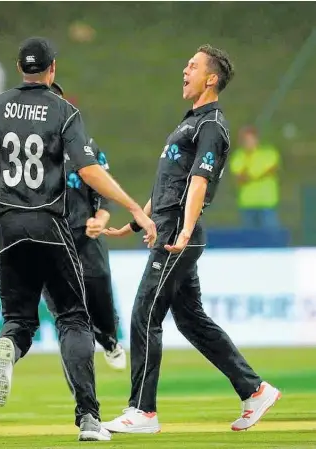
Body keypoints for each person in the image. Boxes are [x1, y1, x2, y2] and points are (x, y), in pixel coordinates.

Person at [0, 36, 156, 442]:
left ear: (18, 67)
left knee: (19, 320)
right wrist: (133, 206)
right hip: (50, 226)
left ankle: (9, 344)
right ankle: (89, 419)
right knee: (73, 318)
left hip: (7, 229)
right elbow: (91, 172)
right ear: (53, 69)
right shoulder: (64, 112)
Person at [102, 44, 281, 434]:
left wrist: (183, 229)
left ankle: (143, 412)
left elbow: (198, 182)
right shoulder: (191, 121)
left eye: (193, 65)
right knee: (190, 320)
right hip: (168, 228)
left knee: (144, 312)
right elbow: (170, 183)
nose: (185, 69)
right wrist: (135, 222)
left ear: (211, 78)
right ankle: (255, 389)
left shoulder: (211, 125)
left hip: (178, 233)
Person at [0, 81, 126, 371]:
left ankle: (109, 339)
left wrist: (100, 219)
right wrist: (1, 240)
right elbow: (19, 207)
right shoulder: (28, 153)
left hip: (85, 241)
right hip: (51, 243)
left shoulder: (87, 149)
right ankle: (82, 390)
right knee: (67, 316)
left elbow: (103, 198)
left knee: (101, 307)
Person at [230, 126, 281, 229]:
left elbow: (271, 170)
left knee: (271, 235)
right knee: (250, 238)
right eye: (246, 140)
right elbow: (240, 178)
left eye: (251, 139)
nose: (249, 142)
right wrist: (257, 174)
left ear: (257, 139)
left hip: (267, 203)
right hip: (247, 204)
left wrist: (251, 176)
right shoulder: (238, 156)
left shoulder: (269, 153)